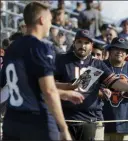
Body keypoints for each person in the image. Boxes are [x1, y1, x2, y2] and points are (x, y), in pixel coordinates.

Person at [0, 2, 85, 140]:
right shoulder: (40, 47)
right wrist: (63, 129)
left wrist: (64, 93)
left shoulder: (12, 48)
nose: (50, 25)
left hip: (12, 121)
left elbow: (28, 86)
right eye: (50, 20)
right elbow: (49, 91)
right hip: (36, 121)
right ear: (42, 19)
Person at [54, 29, 128, 140]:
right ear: (74, 43)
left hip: (88, 120)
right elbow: (50, 84)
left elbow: (113, 81)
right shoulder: (60, 59)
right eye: (79, 42)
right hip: (65, 119)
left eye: (86, 43)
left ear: (91, 45)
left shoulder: (97, 64)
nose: (82, 46)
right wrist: (69, 86)